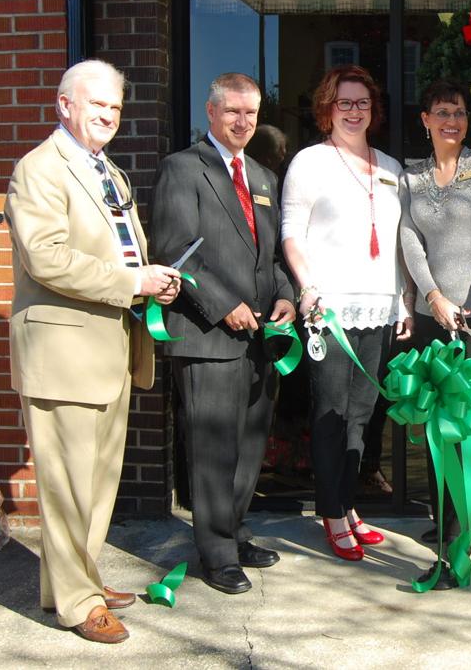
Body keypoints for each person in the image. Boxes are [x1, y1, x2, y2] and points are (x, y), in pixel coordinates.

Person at [4, 59, 181, 643]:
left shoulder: (106, 169)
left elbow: (122, 250)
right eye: (96, 105)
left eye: (114, 108)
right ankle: (77, 604)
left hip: (109, 347)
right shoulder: (39, 170)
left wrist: (154, 278)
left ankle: (77, 580)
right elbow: (46, 258)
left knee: (98, 481)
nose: (107, 116)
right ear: (64, 105)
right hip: (63, 352)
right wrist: (133, 282)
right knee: (65, 485)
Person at [151, 72, 296, 595]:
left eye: (251, 113)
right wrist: (223, 304)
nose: (243, 122)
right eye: (232, 112)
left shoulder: (262, 177)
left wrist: (286, 296)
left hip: (261, 336)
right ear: (211, 112)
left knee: (250, 445)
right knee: (213, 451)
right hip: (207, 333)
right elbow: (172, 249)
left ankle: (233, 533)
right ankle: (214, 554)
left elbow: (273, 255)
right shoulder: (182, 169)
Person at [281, 64, 412, 562]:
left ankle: (348, 503)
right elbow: (291, 230)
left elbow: (401, 244)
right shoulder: (311, 162)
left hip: (380, 306)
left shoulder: (392, 168)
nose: (354, 111)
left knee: (362, 413)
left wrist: (404, 300)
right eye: (344, 103)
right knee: (331, 413)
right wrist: (307, 286)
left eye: (362, 103)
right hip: (331, 306)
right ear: (327, 109)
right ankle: (331, 513)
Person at [398, 78, 471, 585]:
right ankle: (442, 521)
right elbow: (409, 239)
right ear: (425, 120)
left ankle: (464, 532)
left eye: (459, 112)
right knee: (434, 425)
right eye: (442, 111)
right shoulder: (410, 174)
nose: (451, 120)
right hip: (430, 316)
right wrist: (433, 297)